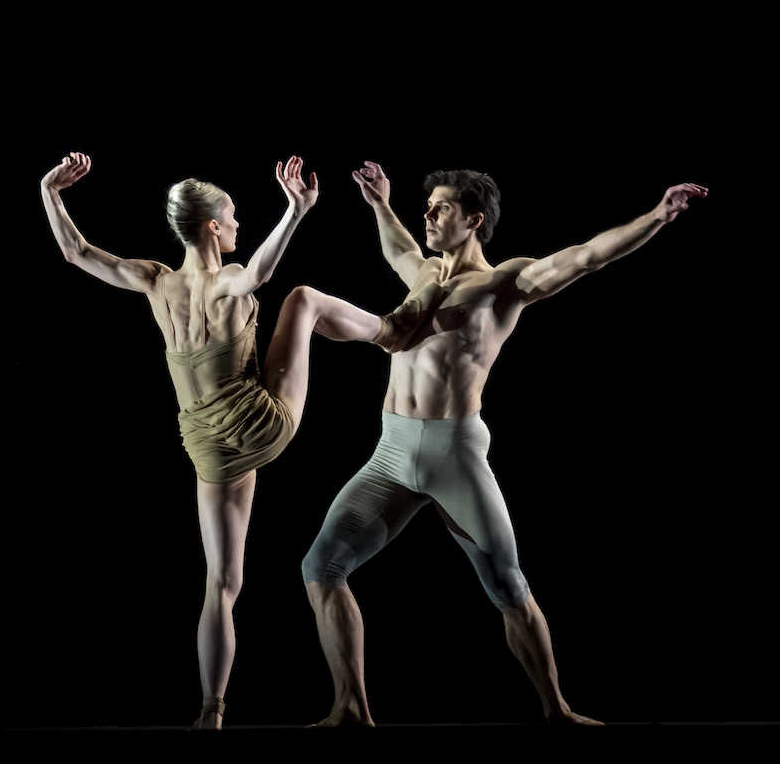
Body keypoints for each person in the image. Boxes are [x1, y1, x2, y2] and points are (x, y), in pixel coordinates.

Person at [300, 162, 708, 727]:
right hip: (391, 452)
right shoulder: (423, 273)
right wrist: (380, 203)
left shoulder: (504, 284)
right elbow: (398, 247)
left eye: (442, 207)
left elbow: (587, 256)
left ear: (474, 219)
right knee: (321, 566)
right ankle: (350, 706)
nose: (429, 215)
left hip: (453, 454)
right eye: (429, 206)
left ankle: (557, 709)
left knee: (507, 586)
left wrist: (658, 216)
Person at [40, 152, 399, 729]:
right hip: (263, 422)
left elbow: (75, 252)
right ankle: (392, 333)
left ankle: (211, 711)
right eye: (231, 216)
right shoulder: (226, 281)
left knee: (222, 583)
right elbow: (258, 274)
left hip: (209, 449)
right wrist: (296, 211)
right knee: (303, 300)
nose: (237, 223)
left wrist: (50, 193)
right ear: (212, 226)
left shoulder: (155, 280)